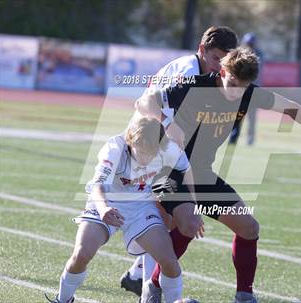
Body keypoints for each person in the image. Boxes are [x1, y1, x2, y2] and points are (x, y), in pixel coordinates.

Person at [136, 47, 301, 303]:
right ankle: (154, 286)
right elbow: (145, 101)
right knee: (189, 225)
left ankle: (244, 296)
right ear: (222, 71)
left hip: (201, 175)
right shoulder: (194, 85)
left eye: (243, 87)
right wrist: (165, 123)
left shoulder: (249, 94)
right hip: (170, 171)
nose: (236, 92)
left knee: (248, 226)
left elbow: (292, 109)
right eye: (232, 83)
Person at [121, 25, 238, 296]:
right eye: (215, 58)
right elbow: (155, 108)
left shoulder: (197, 71)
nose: (219, 66)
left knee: (169, 218)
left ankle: (138, 275)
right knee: (160, 219)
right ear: (201, 49)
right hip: (151, 145)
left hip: (158, 143)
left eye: (225, 60)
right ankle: (149, 286)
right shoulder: (189, 73)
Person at [44, 116, 196, 303]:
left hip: (141, 206)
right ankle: (63, 299)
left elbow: (187, 172)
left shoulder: (169, 149)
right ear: (130, 140)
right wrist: (103, 209)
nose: (144, 158)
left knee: (170, 262)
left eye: (151, 152)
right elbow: (98, 186)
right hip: (106, 201)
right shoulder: (115, 148)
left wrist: (193, 206)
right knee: (81, 254)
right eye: (139, 150)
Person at [229, 32, 262, 146]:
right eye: (249, 44)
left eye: (251, 44)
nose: (250, 46)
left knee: (252, 117)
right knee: (238, 115)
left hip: (253, 91)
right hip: (241, 90)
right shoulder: (239, 54)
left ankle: (250, 139)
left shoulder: (259, 55)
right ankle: (233, 138)